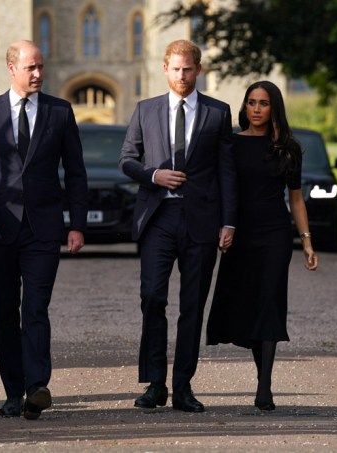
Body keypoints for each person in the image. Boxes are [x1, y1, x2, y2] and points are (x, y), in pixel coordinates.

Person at [0, 40, 88, 420]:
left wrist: (76, 224)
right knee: (4, 310)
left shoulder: (60, 112)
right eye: (30, 67)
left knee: (35, 307)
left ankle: (37, 387)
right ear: (11, 68)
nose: (38, 74)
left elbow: (77, 173)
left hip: (44, 229)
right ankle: (13, 392)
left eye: (41, 67)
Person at [119, 39, 237, 413]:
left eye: (188, 69)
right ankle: (155, 384)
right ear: (165, 69)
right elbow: (127, 160)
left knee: (192, 305)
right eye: (175, 68)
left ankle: (183, 385)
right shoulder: (145, 110)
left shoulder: (218, 113)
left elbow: (227, 172)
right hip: (158, 219)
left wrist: (229, 221)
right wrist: (154, 174)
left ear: (198, 70)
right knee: (152, 297)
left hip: (202, 222)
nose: (182, 75)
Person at [206, 80, 318, 411]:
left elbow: (296, 200)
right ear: (244, 107)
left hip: (275, 235)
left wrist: (307, 242)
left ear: (274, 108)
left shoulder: (287, 148)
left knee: (269, 303)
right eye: (251, 102)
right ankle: (262, 376)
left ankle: (264, 385)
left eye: (263, 103)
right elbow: (221, 190)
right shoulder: (230, 143)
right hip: (240, 235)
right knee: (247, 305)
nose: (256, 109)